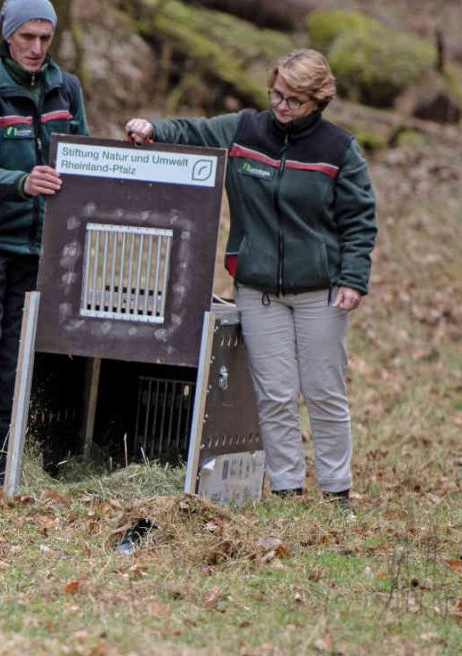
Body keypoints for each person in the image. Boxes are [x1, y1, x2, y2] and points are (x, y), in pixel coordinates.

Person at [126, 49, 376, 513]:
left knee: (323, 391)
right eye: (276, 95)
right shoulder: (244, 130)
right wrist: (153, 128)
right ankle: (285, 488)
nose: (281, 107)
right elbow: (194, 131)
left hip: (320, 290)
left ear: (318, 101)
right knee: (275, 393)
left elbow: (359, 219)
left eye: (294, 100)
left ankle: (337, 491)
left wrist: (353, 279)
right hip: (258, 289)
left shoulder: (338, 149)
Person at [0, 0, 89, 488]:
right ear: (8, 35)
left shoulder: (65, 88)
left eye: (44, 38)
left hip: (38, 246)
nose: (35, 47)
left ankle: (9, 455)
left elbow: (83, 158)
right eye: (27, 37)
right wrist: (22, 181)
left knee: (19, 355)